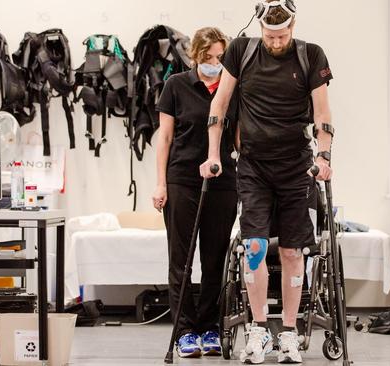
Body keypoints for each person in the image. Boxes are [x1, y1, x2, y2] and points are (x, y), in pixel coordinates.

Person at [200, 1, 334, 363]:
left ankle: (288, 333)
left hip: (296, 167)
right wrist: (213, 154)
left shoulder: (311, 55)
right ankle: (257, 330)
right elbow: (220, 105)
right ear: (260, 27)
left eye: (282, 35)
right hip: (253, 166)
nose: (276, 42)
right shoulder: (241, 52)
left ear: (293, 26)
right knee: (255, 247)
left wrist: (324, 156)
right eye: (270, 35)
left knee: (292, 252)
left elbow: (322, 113)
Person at [153, 27, 238, 358]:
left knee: (215, 258)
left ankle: (209, 327)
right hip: (182, 180)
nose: (215, 63)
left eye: (220, 57)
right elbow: (164, 139)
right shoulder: (176, 85)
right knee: (182, 259)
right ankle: (185, 331)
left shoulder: (233, 89)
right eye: (208, 57)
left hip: (223, 182)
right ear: (196, 56)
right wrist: (160, 183)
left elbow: (241, 138)